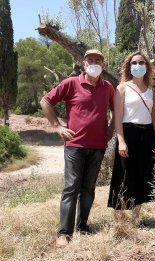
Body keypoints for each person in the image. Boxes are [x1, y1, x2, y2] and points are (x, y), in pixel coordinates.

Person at [40, 49, 114, 247]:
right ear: (83, 64)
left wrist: (110, 130)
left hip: (98, 146)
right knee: (71, 187)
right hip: (74, 146)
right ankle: (64, 232)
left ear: (103, 65)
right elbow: (45, 101)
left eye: (98, 60)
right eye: (90, 60)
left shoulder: (108, 87)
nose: (94, 63)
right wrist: (57, 126)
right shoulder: (71, 83)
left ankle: (82, 227)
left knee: (88, 188)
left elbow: (117, 110)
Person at [107, 52, 155, 224]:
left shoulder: (152, 92)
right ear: (129, 67)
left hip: (147, 135)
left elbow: (154, 118)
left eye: (141, 62)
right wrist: (121, 141)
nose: (138, 65)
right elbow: (118, 117)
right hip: (128, 133)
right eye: (134, 62)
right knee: (123, 174)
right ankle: (119, 219)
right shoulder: (122, 88)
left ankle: (137, 218)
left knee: (143, 174)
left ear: (147, 66)